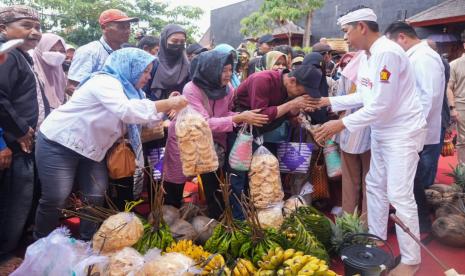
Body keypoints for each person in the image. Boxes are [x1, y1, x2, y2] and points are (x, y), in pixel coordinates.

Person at [310, 6, 426, 275]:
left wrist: (340, 123)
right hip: (383, 131)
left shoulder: (387, 52)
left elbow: (382, 105)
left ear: (361, 27)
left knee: (399, 195)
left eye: (346, 31)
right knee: (374, 187)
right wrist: (329, 100)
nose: (345, 38)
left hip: (402, 133)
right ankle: (376, 245)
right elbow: (365, 96)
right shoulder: (369, 55)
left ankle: (411, 259)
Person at [34, 48, 188, 240]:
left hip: (92, 150)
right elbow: (127, 111)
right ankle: (40, 242)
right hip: (60, 143)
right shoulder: (105, 81)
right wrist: (168, 103)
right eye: (145, 71)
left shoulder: (134, 92)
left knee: (96, 195)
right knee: (56, 197)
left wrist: (170, 111)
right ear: (129, 67)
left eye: (150, 72)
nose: (148, 77)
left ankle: (87, 240)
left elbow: (144, 116)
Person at [163, 50, 268, 217]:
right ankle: (169, 218)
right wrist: (239, 117)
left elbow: (223, 115)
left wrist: (244, 117)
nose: (228, 75)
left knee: (211, 186)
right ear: (210, 69)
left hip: (212, 145)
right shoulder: (191, 89)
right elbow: (203, 123)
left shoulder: (228, 89)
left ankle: (211, 222)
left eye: (230, 70)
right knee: (176, 183)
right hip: (186, 141)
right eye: (223, 70)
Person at [230, 64, 322, 219]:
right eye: (303, 91)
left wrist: (294, 113)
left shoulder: (288, 89)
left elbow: (283, 114)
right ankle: (238, 219)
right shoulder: (262, 80)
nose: (303, 95)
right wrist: (291, 105)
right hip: (241, 134)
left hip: (261, 135)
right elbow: (260, 116)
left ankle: (261, 217)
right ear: (292, 81)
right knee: (238, 176)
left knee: (261, 176)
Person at [385, 21, 445, 234]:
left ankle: (420, 221)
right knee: (412, 179)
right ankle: (418, 220)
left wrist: (411, 129)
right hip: (413, 128)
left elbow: (427, 96)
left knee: (411, 179)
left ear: (402, 37)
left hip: (416, 129)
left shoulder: (424, 57)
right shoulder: (416, 56)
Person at [0, 4, 43, 269]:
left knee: (21, 198)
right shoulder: (8, 55)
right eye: (27, 26)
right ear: (3, 29)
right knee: (14, 200)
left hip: (21, 142)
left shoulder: (19, 55)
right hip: (15, 144)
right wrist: (19, 130)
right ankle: (3, 255)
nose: (35, 33)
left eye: (38, 27)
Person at [66, 9, 139, 96]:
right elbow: (71, 87)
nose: (127, 31)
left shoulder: (123, 54)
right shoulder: (90, 51)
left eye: (128, 27)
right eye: (121, 27)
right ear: (104, 27)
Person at [335, 52, 371, 223]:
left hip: (348, 131)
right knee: (370, 182)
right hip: (371, 133)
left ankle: (349, 221)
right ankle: (366, 223)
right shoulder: (374, 69)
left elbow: (339, 102)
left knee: (349, 181)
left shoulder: (347, 71)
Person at [150, 24, 190, 102]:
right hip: (155, 109)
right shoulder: (153, 64)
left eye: (182, 42)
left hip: (181, 109)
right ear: (164, 41)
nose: (178, 44)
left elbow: (191, 93)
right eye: (174, 41)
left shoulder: (187, 66)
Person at [31, 33, 67, 111]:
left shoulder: (62, 74)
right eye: (52, 50)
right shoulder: (30, 71)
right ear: (40, 50)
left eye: (61, 51)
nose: (57, 54)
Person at [448, 30, 465, 164]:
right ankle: (463, 173)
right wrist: (452, 108)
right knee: (463, 140)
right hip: (462, 106)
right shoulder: (454, 64)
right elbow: (449, 87)